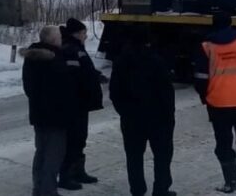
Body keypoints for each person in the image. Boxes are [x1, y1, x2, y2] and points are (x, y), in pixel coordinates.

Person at [194, 12, 236, 193]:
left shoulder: (206, 47)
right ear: (231, 24)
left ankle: (230, 182)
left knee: (224, 143)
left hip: (218, 104)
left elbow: (200, 78)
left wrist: (205, 97)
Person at [110, 32, 177, 196]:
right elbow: (167, 92)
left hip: (131, 119)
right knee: (162, 155)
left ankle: (137, 190)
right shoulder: (157, 61)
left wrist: (124, 112)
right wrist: (169, 115)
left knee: (133, 157)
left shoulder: (120, 62)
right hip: (158, 119)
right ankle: (161, 189)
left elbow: (114, 92)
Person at [21, 26, 74, 196]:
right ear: (52, 40)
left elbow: (29, 87)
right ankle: (48, 191)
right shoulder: (55, 60)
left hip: (38, 114)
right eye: (58, 36)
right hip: (56, 116)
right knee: (54, 154)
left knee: (41, 152)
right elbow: (64, 90)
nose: (61, 38)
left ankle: (38, 187)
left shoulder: (31, 58)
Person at [58, 18, 104, 190]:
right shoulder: (70, 50)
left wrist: (95, 75)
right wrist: (91, 78)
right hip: (74, 103)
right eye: (84, 33)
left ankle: (78, 171)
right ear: (76, 34)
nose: (86, 36)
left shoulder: (76, 48)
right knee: (73, 139)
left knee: (80, 138)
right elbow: (74, 75)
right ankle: (66, 175)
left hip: (81, 103)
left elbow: (84, 70)